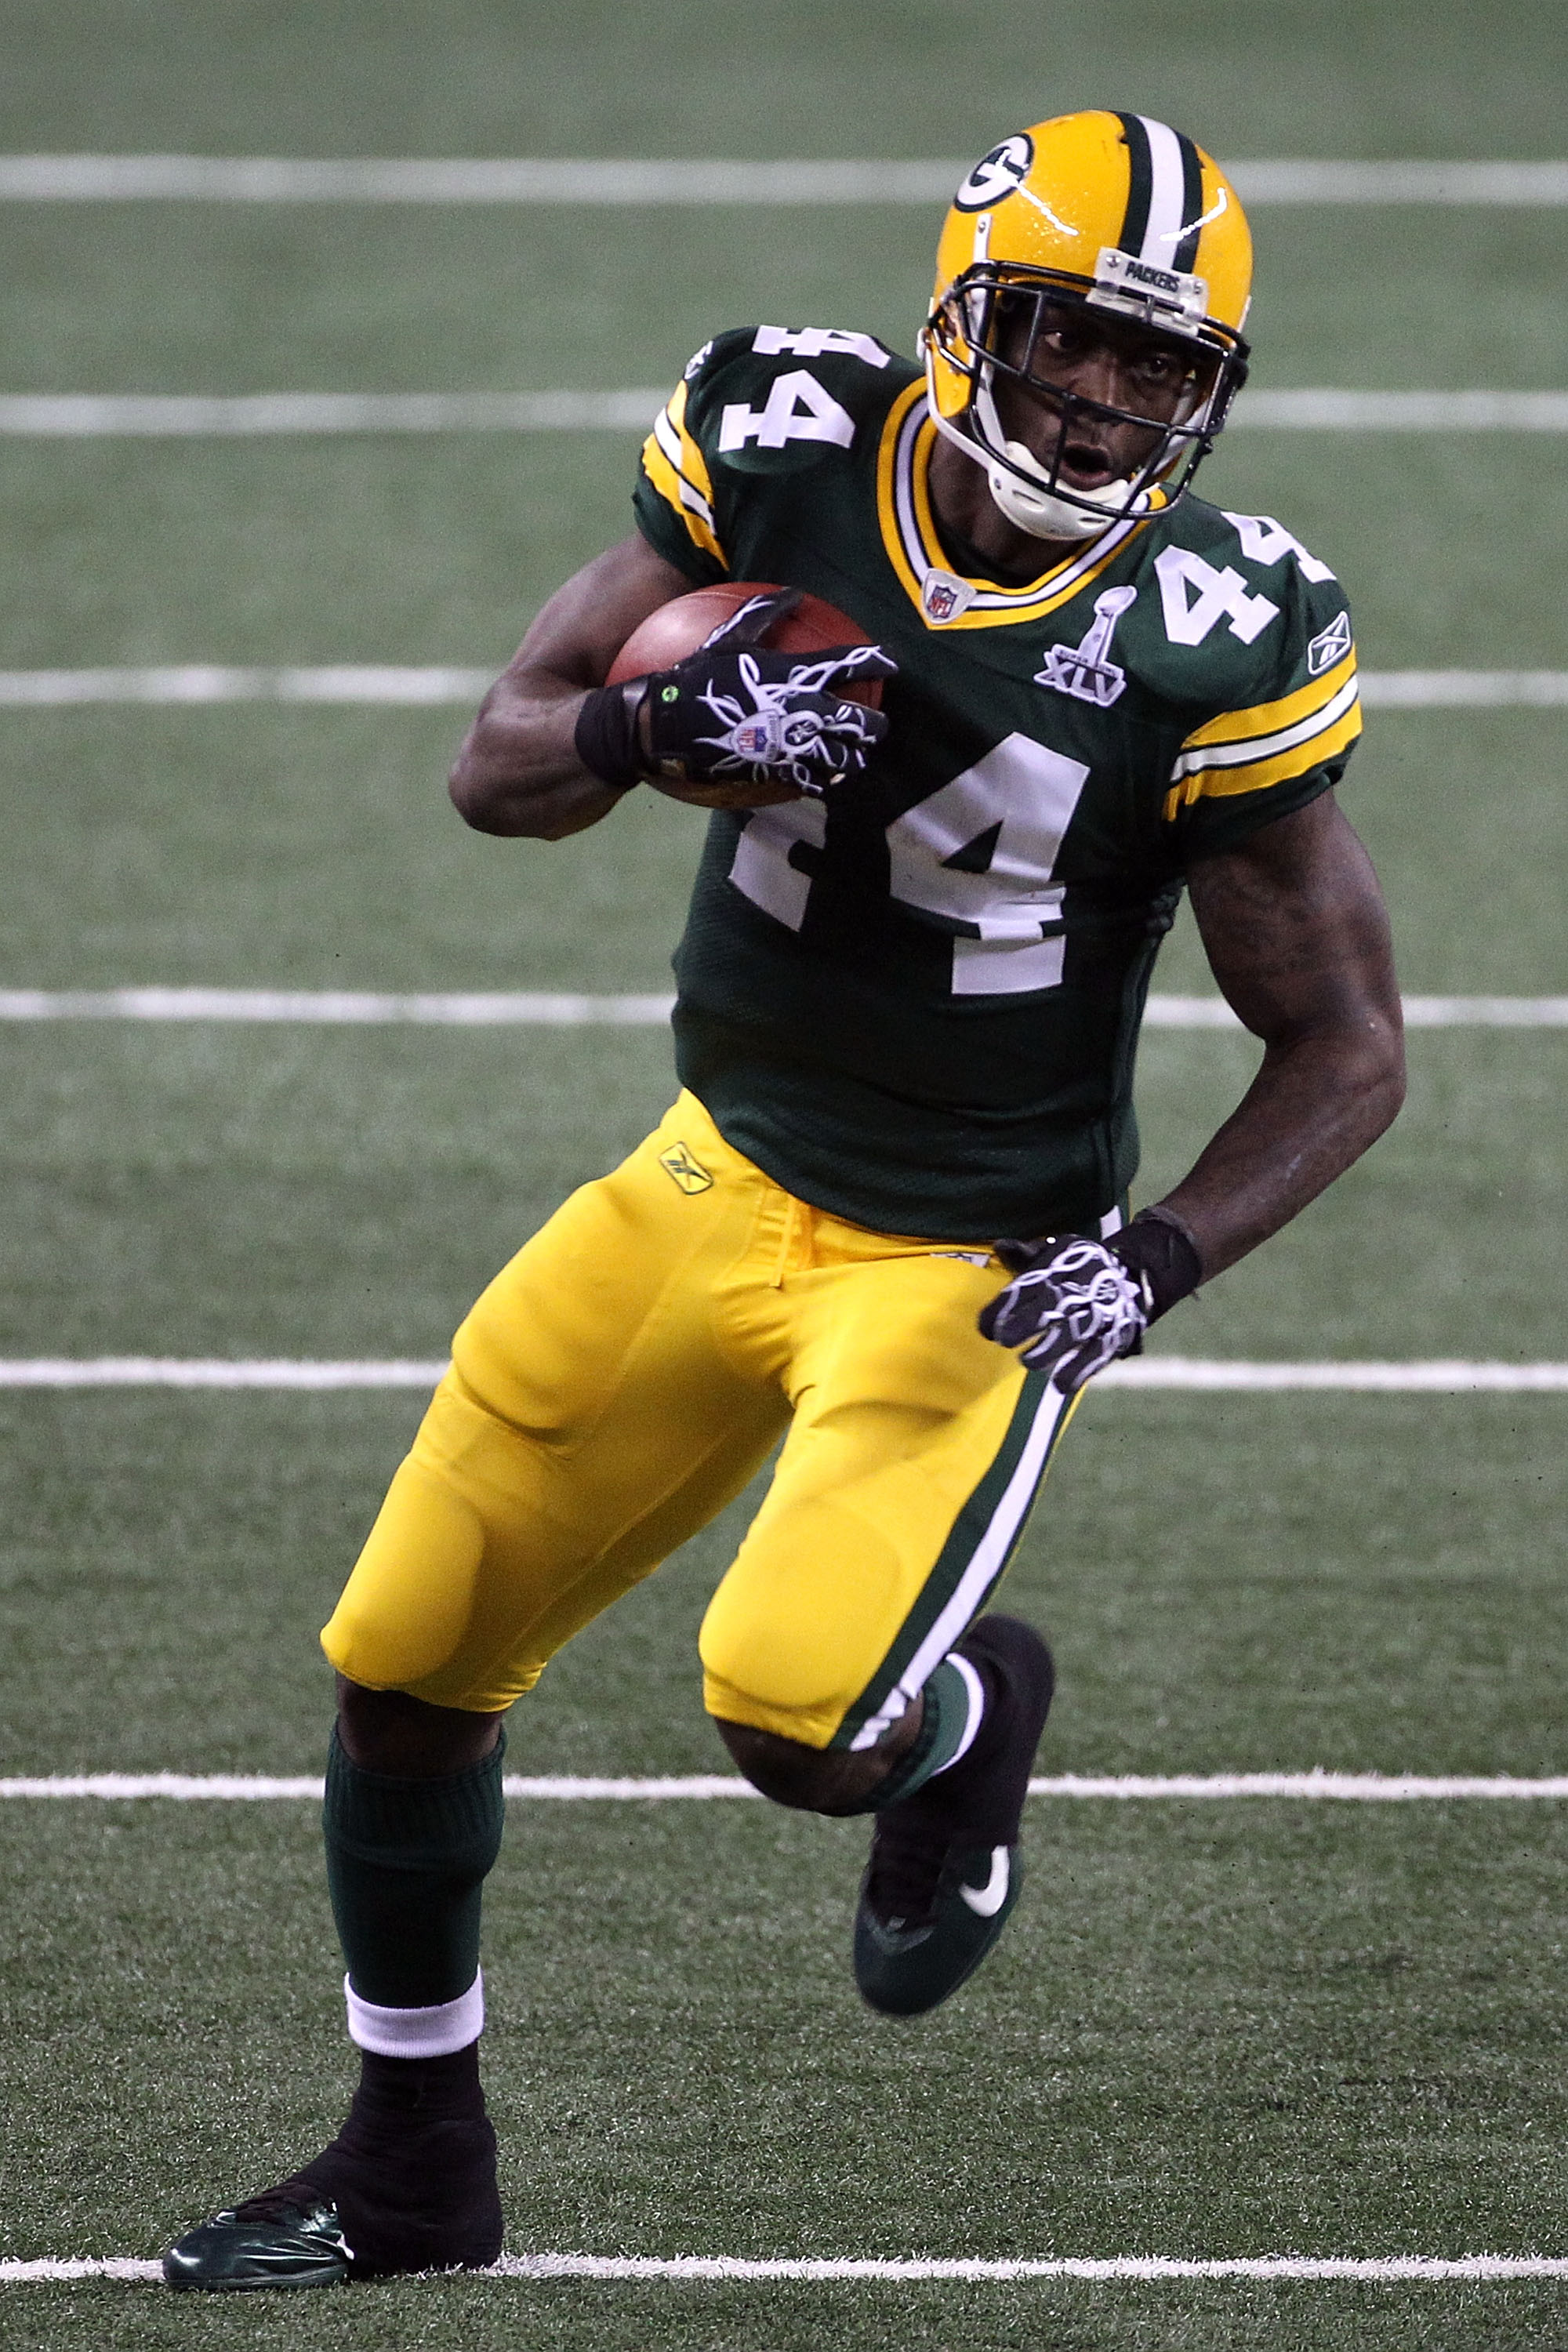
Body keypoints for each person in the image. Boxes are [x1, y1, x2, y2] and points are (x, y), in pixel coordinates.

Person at [164, 109, 1403, 2291]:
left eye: (1160, 365)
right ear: (963, 312)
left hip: (969, 1260)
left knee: (797, 1720)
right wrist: (649, 739)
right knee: (406, 1660)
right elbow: (499, 761)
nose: (1105, 399)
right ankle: (415, 2163)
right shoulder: (786, 442)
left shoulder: (1219, 630)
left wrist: (1150, 1261)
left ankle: (963, 1720)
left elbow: (1348, 1043)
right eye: (1068, 336)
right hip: (712, 1171)